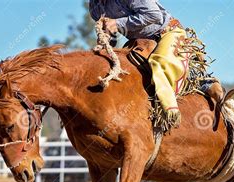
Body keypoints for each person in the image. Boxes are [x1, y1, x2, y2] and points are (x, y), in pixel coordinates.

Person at [89, 0, 225, 121]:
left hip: (167, 33)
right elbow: (111, 33)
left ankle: (195, 86)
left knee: (159, 62)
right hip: (140, 42)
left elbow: (154, 15)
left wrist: (117, 23)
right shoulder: (94, 7)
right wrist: (105, 43)